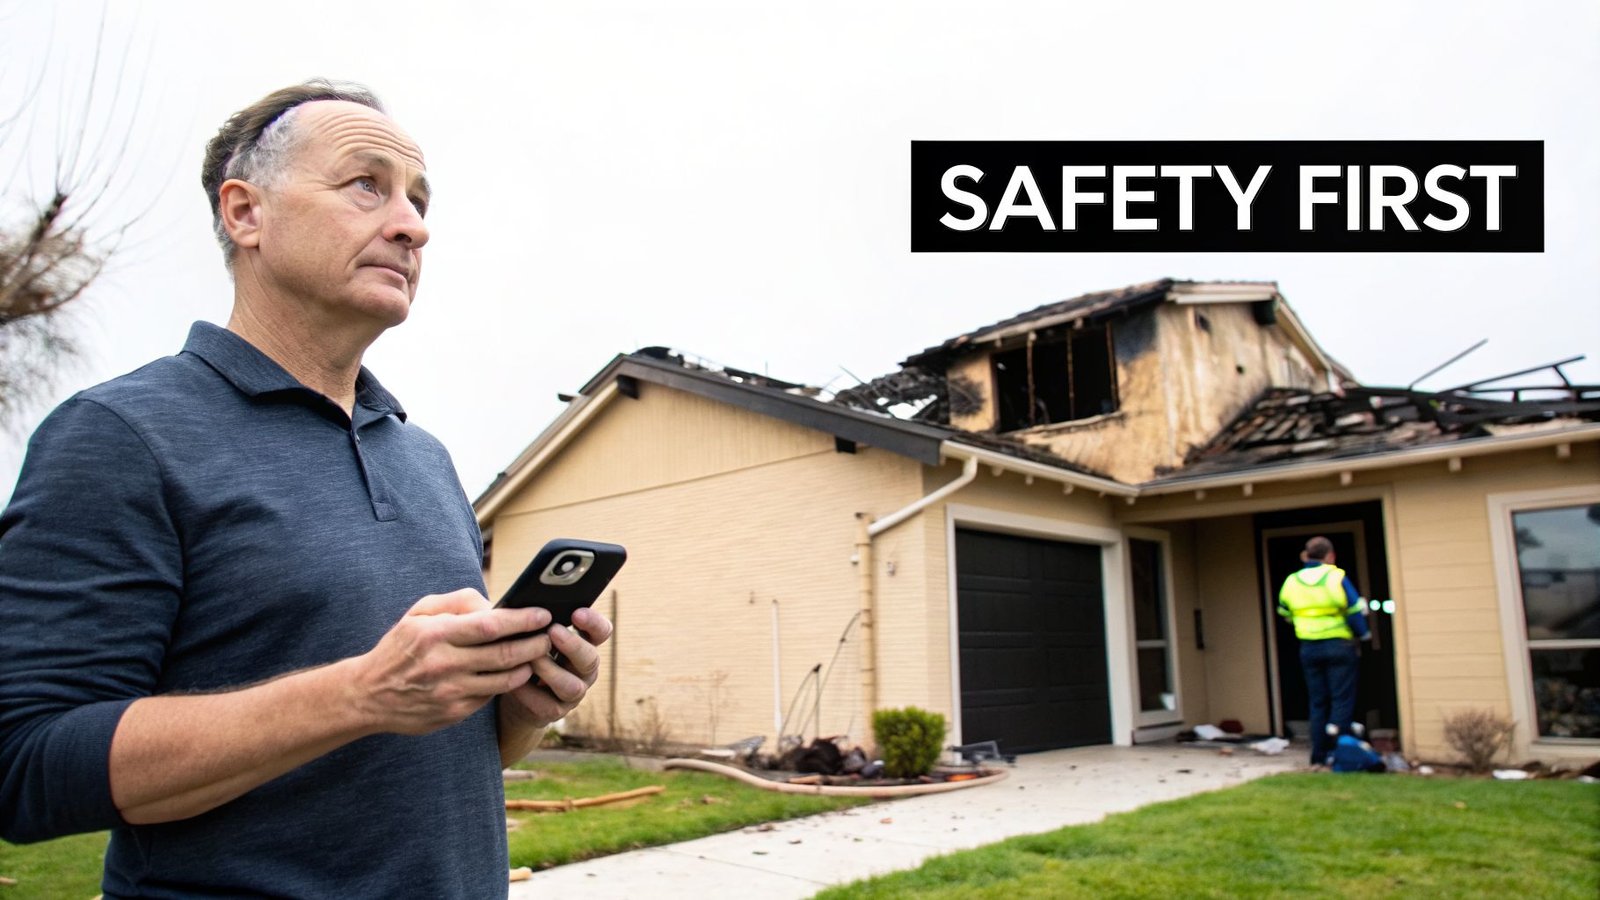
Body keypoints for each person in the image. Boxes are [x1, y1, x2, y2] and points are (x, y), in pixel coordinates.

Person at [0, 81, 612, 898]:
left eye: (418, 199)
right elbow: (26, 764)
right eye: (367, 184)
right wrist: (361, 692)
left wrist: (521, 708)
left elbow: (428, 748)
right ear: (245, 213)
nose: (412, 224)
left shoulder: (424, 457)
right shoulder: (119, 437)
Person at [1278, 536, 1370, 767]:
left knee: (1317, 702)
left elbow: (1284, 612)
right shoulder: (1335, 576)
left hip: (1309, 647)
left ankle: (1318, 755)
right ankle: (1340, 753)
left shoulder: (1291, 581)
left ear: (1307, 555)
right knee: (1341, 700)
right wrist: (1364, 633)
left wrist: (1303, 623)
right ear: (1330, 556)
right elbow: (1354, 609)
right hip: (1339, 646)